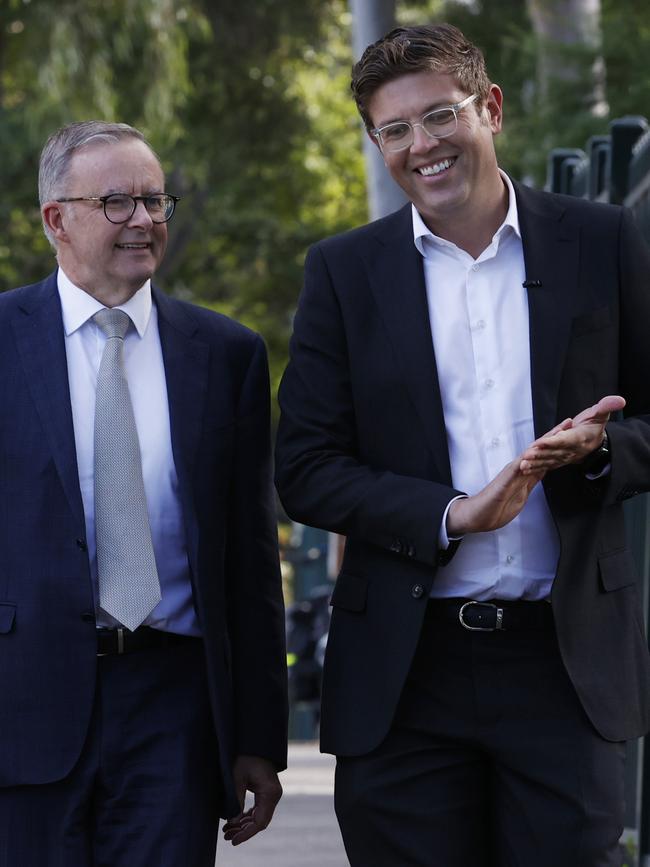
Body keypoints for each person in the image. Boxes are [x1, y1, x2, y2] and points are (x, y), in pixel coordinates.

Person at [275, 23, 650, 867]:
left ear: (490, 108)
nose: (421, 145)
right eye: (394, 130)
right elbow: (303, 467)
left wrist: (595, 455)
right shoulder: (343, 271)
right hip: (406, 676)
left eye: (439, 115)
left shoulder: (599, 240)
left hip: (565, 660)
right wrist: (449, 512)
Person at [0, 120, 288, 866]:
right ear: (56, 219)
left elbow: (250, 560)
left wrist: (258, 734)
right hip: (21, 699)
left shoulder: (227, 355)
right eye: (118, 202)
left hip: (174, 704)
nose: (144, 220)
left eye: (155, 201)